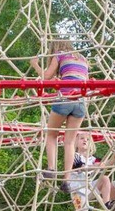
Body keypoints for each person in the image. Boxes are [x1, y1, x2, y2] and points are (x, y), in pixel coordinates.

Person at [30, 39, 88, 192]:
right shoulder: (82, 59)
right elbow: (77, 78)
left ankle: (51, 168)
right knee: (69, 142)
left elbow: (46, 76)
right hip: (81, 101)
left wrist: (35, 65)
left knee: (52, 134)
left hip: (65, 97)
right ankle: (67, 180)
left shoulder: (60, 55)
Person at [69, 131, 115, 210]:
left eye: (87, 139)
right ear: (76, 143)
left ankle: (107, 204)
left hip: (90, 188)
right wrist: (95, 166)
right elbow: (82, 167)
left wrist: (114, 158)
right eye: (82, 138)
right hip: (77, 190)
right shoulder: (74, 156)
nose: (85, 140)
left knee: (105, 179)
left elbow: (103, 165)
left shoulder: (93, 159)